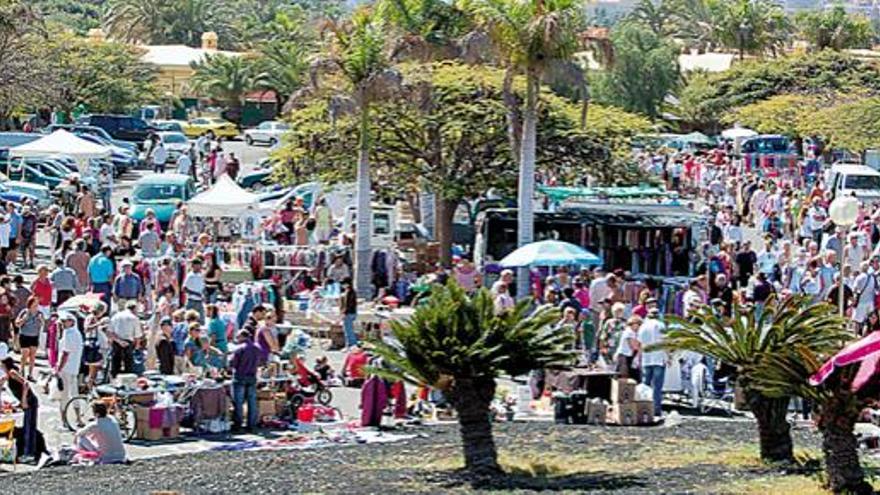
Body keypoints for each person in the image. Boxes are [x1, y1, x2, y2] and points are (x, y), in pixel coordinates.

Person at [0, 352, 39, 462]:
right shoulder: (8, 374)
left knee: (29, 427)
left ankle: (28, 454)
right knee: (29, 426)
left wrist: (24, 400)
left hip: (29, 401)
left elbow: (25, 384)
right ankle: (30, 452)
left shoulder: (12, 372)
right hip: (26, 401)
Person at [230, 330, 263, 432]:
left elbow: (233, 363)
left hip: (240, 376)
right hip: (252, 376)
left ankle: (238, 425)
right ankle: (251, 425)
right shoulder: (257, 348)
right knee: (252, 402)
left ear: (242, 337)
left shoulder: (239, 349)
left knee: (238, 402)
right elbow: (260, 362)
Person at [638, 303, 667, 417]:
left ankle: (643, 409)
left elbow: (640, 343)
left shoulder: (643, 326)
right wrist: (668, 356)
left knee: (645, 385)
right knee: (657, 387)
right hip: (659, 358)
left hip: (647, 358)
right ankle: (656, 409)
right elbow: (665, 342)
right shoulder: (661, 325)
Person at [55, 312, 83, 416]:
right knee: (74, 393)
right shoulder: (76, 333)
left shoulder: (69, 334)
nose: (62, 323)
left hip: (66, 368)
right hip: (73, 367)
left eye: (64, 321)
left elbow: (65, 354)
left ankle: (63, 419)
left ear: (71, 322)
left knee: (64, 395)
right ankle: (78, 417)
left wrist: (59, 368)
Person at [108, 301, 143, 377]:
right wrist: (137, 347)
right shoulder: (134, 318)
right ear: (134, 309)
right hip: (128, 343)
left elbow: (110, 332)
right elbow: (137, 336)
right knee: (129, 368)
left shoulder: (115, 316)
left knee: (115, 366)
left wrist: (119, 341)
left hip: (116, 342)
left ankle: (114, 383)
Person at [15, 296, 43, 380]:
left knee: (32, 356)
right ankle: (22, 370)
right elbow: (17, 324)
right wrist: (24, 319)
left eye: (37, 303)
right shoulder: (24, 312)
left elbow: (43, 325)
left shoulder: (39, 313)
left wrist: (41, 320)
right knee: (25, 354)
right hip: (24, 335)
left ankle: (30, 374)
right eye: (35, 303)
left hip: (34, 336)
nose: (36, 305)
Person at [615, 315, 641, 380]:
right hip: (623, 355)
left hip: (631, 356)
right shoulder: (629, 332)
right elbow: (633, 346)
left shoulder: (636, 333)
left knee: (634, 376)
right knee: (623, 375)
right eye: (637, 324)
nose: (639, 326)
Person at [182, 257, 206, 323]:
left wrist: (203, 294)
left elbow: (203, 287)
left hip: (200, 301)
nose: (199, 267)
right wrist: (195, 293)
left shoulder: (201, 275)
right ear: (193, 266)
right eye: (197, 265)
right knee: (189, 320)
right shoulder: (190, 276)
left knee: (201, 321)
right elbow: (184, 288)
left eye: (200, 265)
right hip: (191, 301)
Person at [340, 278, 358, 349]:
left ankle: (351, 345)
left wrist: (344, 312)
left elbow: (349, 304)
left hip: (349, 313)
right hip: (351, 312)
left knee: (348, 330)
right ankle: (350, 345)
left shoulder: (350, 292)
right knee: (348, 330)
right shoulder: (350, 291)